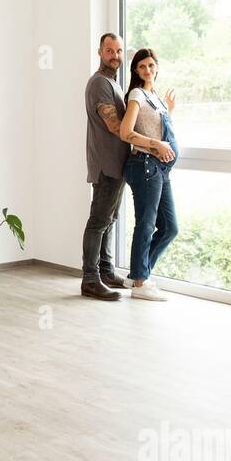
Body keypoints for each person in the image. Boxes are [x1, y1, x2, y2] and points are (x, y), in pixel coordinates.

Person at [82, 34, 175, 300]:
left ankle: (107, 271)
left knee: (109, 220)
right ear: (100, 52)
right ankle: (90, 279)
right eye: (109, 50)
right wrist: (142, 119)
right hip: (106, 162)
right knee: (98, 221)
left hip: (118, 163)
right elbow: (116, 127)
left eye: (119, 51)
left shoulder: (112, 83)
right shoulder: (100, 83)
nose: (115, 55)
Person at [119, 48, 180, 301]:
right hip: (144, 165)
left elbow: (155, 128)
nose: (148, 70)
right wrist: (157, 146)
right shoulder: (137, 94)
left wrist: (170, 111)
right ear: (135, 70)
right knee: (146, 224)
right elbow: (126, 132)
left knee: (170, 228)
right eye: (142, 66)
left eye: (152, 65)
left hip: (159, 169)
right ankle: (141, 281)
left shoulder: (154, 96)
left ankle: (137, 276)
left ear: (157, 67)